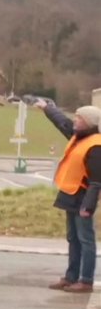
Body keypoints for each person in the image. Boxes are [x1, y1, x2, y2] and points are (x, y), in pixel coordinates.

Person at [35, 99, 101, 293]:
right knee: (73, 238)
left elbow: (96, 181)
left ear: (89, 122)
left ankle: (86, 280)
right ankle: (71, 277)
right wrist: (47, 108)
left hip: (82, 197)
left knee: (85, 240)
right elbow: (61, 121)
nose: (75, 120)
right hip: (69, 194)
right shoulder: (78, 136)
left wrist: (88, 207)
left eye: (79, 118)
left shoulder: (96, 146)